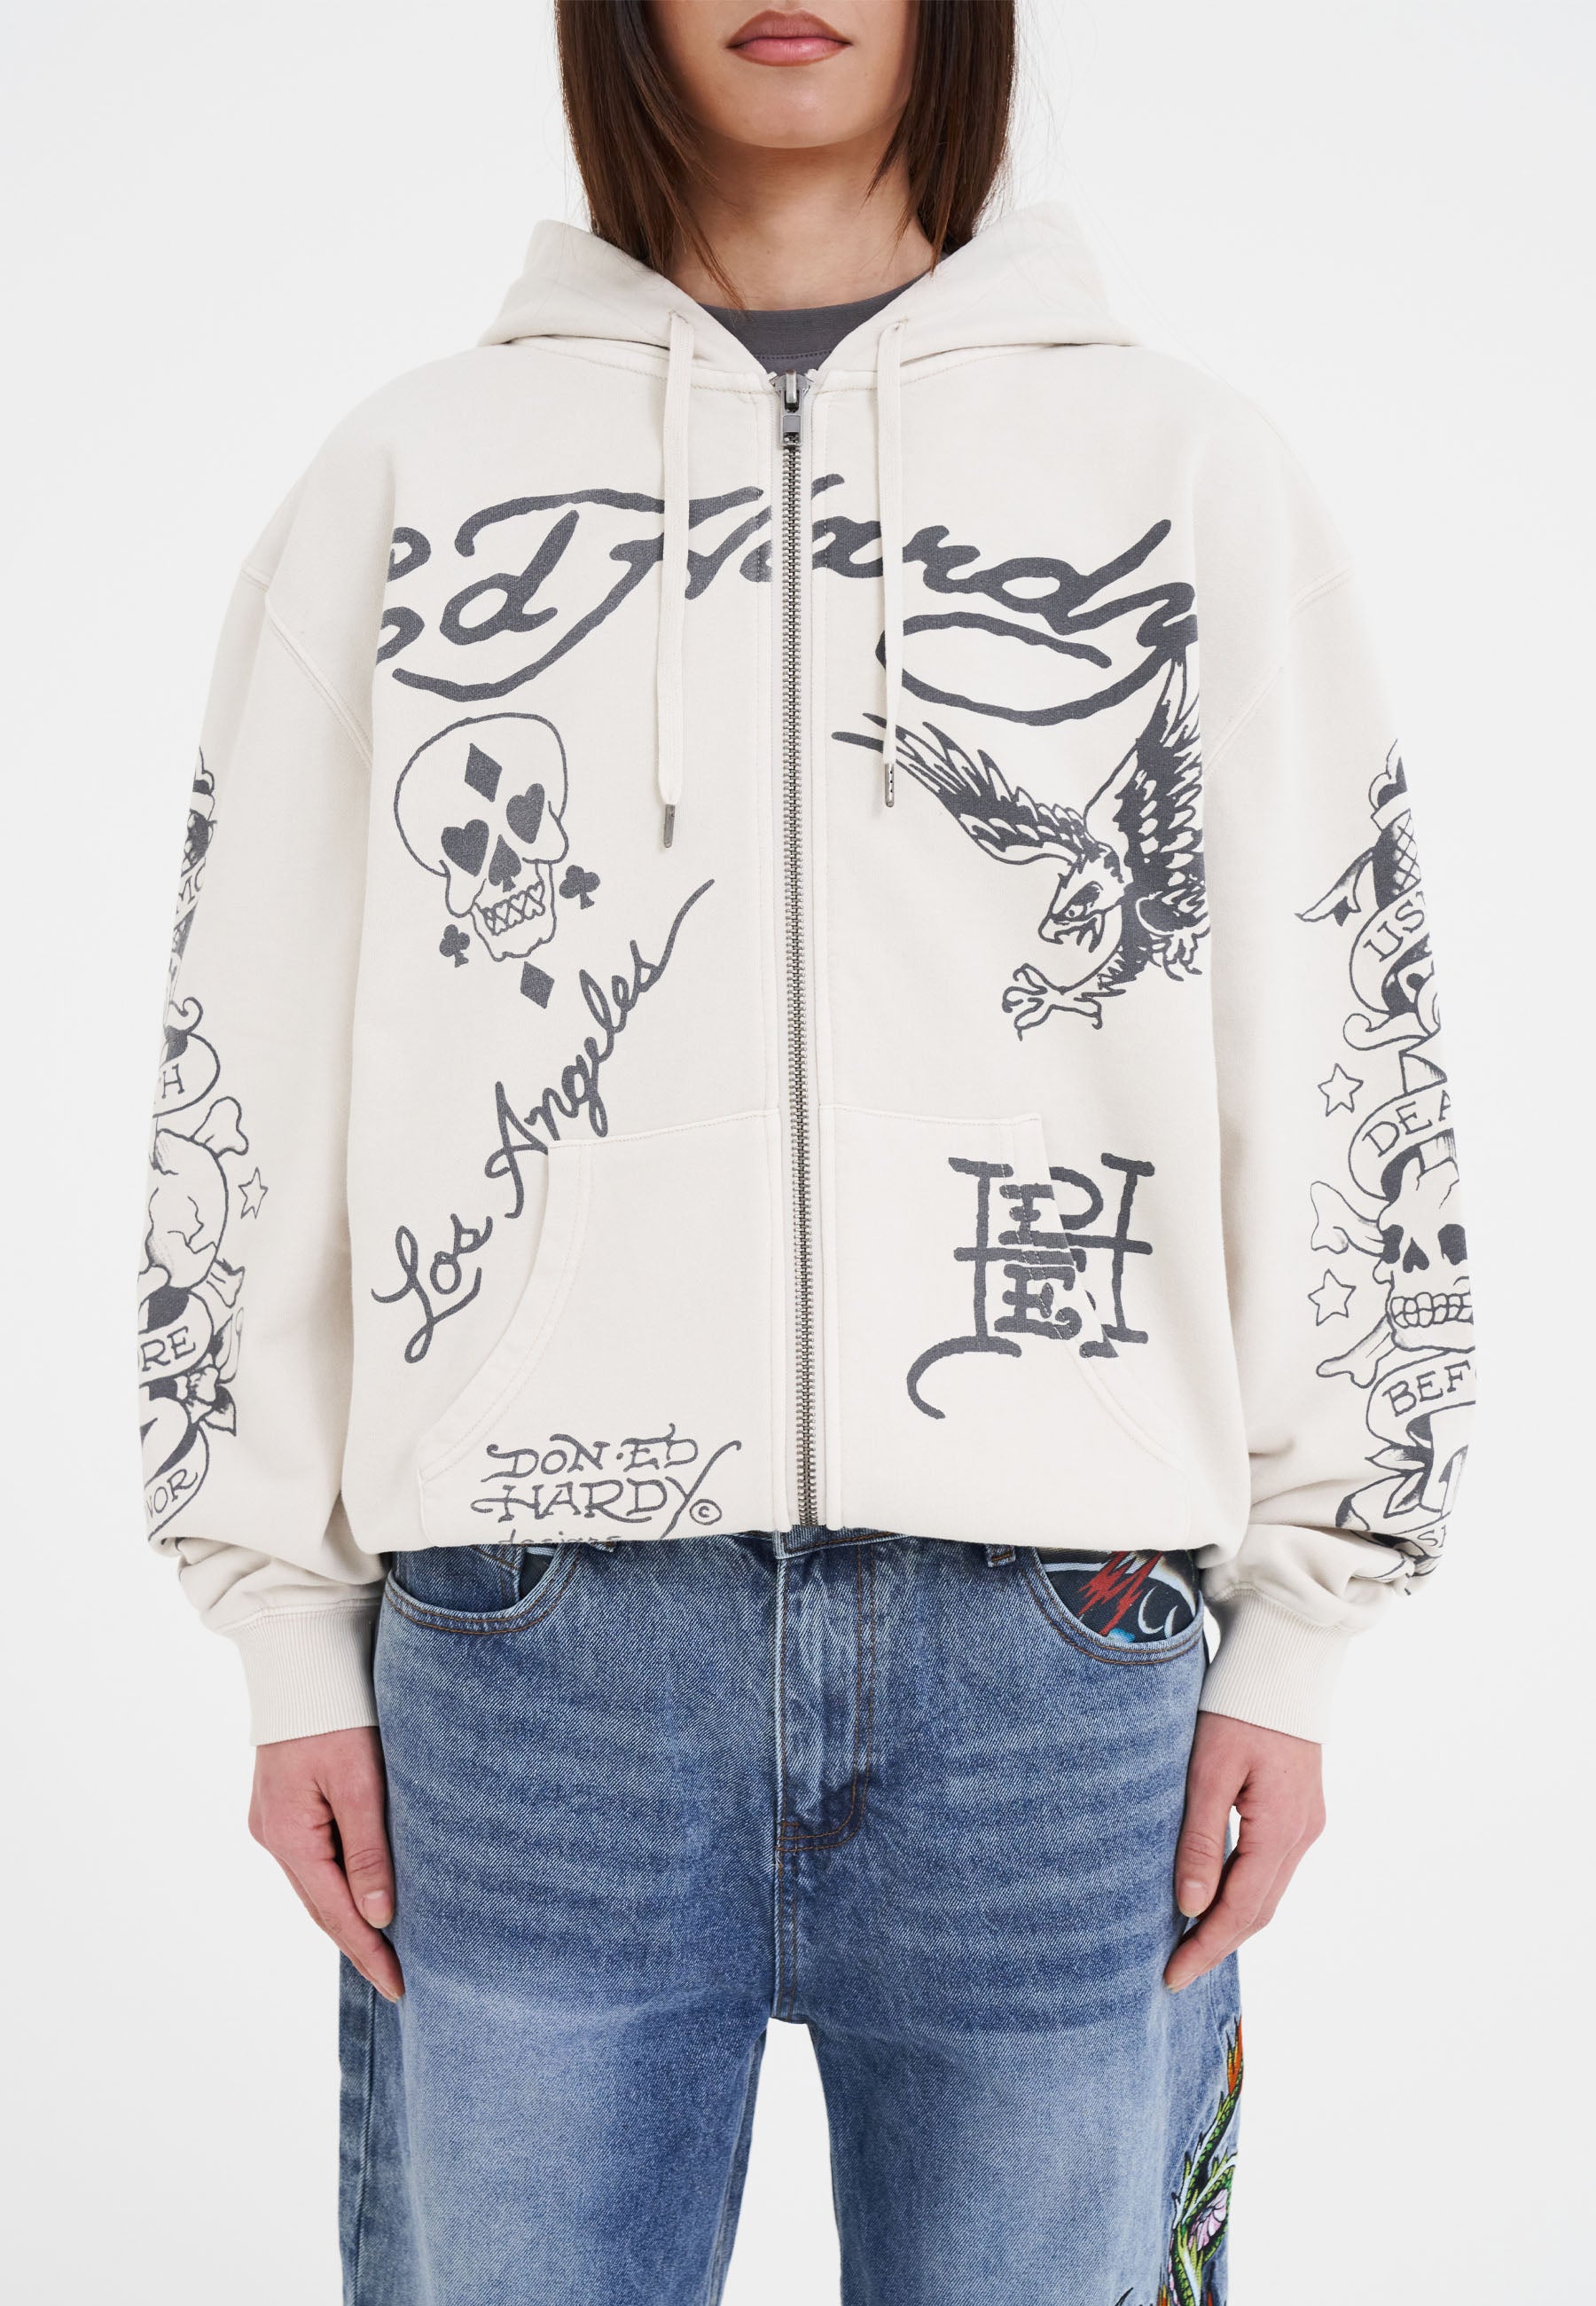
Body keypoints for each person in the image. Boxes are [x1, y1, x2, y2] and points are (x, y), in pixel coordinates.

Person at [137, 4, 1475, 2299]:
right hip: (533, 1664)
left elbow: (1348, 1038)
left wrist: (1302, 1632)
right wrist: (282, 1635)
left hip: (1059, 1671)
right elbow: (242, 1067)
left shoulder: (1183, 473)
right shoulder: (412, 481)